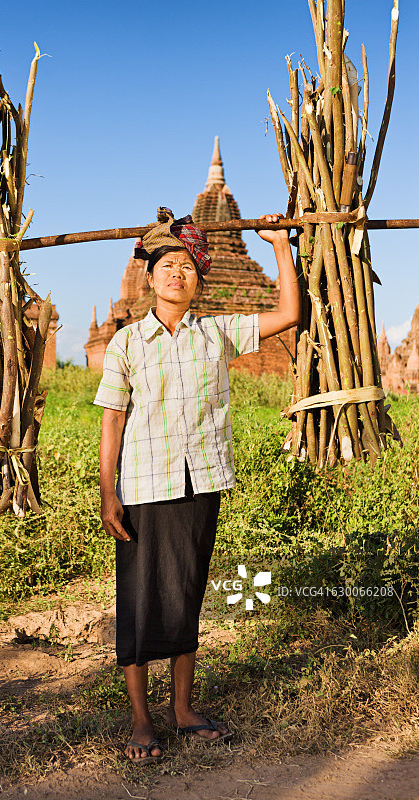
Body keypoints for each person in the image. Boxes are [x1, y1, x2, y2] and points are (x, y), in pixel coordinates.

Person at [93, 207, 300, 764]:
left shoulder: (218, 331)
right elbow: (112, 419)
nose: (177, 274)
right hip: (142, 483)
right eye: (167, 266)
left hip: (200, 478)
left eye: (187, 266)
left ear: (198, 281)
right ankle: (141, 719)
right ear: (150, 278)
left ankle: (183, 709)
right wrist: (108, 491)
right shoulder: (127, 344)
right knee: (138, 601)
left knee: (185, 593)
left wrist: (278, 243)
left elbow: (288, 312)